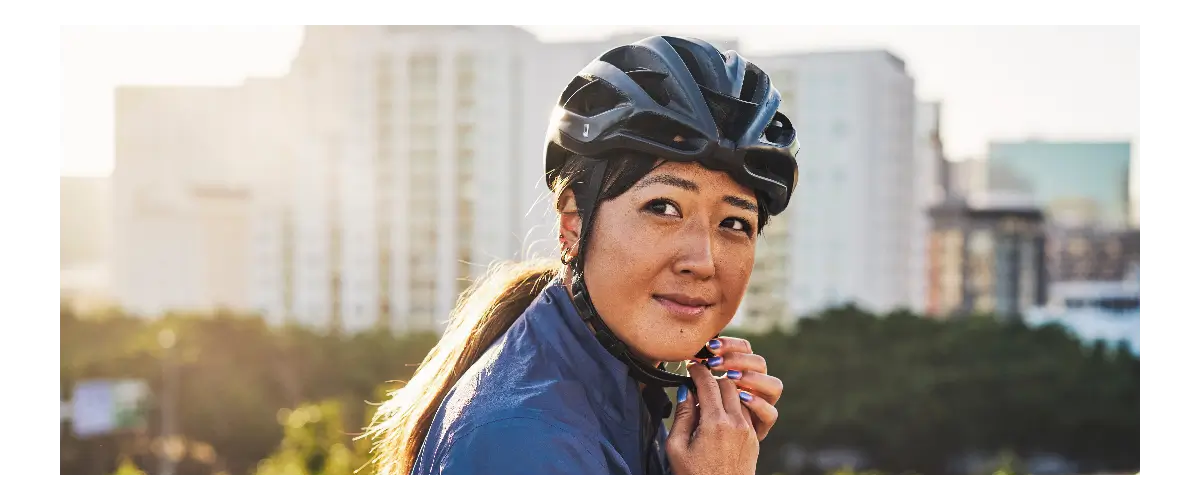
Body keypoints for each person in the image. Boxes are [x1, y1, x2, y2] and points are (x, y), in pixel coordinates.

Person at [361, 35, 799, 480]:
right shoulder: (528, 443)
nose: (703, 261)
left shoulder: (613, 392)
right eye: (663, 208)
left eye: (734, 224)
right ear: (573, 223)